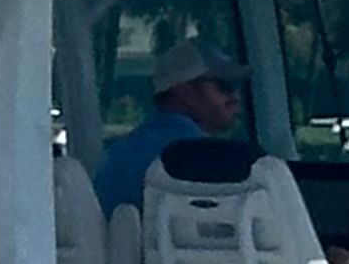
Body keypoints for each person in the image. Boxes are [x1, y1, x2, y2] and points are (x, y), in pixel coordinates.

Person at [93, 37, 241, 212]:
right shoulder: (212, 159)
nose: (236, 97)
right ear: (184, 91)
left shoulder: (116, 154)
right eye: (225, 86)